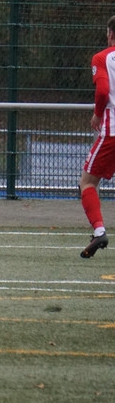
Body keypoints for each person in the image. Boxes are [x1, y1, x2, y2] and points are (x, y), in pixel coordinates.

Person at [76, 15, 115, 259]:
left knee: (88, 182)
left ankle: (99, 231)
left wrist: (97, 115)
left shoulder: (102, 58)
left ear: (110, 34)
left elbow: (102, 91)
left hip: (112, 130)